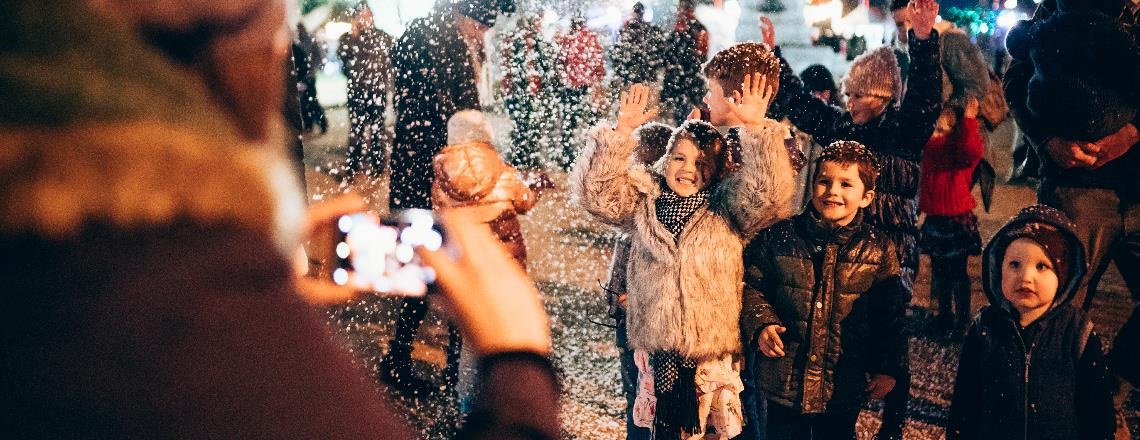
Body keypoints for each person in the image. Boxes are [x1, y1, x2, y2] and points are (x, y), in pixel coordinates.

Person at [0, 0, 560, 438]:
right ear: (226, 39)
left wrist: (251, 254)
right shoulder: (200, 326)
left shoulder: (59, 249)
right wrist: (517, 369)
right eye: (274, 20)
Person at [575, 74, 796, 437]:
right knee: (660, 430)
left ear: (717, 170)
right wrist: (619, 134)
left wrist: (757, 130)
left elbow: (769, 195)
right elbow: (596, 196)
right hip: (656, 350)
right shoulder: (644, 202)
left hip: (709, 356)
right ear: (666, 158)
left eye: (700, 163)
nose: (687, 169)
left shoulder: (726, 209)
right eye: (679, 157)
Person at [766, 2, 942, 436]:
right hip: (846, 249)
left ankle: (893, 422)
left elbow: (924, 96)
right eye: (849, 94)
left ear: (881, 97)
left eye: (859, 95)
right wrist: (777, 63)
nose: (851, 102)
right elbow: (805, 109)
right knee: (846, 333)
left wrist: (922, 41)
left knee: (890, 333)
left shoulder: (903, 133)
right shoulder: (845, 129)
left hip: (892, 250)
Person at [1004, 0, 1140, 432]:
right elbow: (1017, 75)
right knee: (1052, 311)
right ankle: (1051, 418)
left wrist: (1134, 132)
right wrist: (1046, 140)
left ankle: (1111, 385)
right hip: (1078, 187)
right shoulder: (1063, 5)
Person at [382, 0, 516, 396]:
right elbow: (460, 120)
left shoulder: (427, 37)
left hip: (423, 173)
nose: (483, 34)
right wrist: (474, 170)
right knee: (443, 266)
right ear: (466, 17)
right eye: (481, 25)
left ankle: (419, 360)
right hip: (437, 180)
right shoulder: (444, 46)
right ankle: (437, 368)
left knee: (426, 268)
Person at [741, 141, 909, 440]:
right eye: (824, 181)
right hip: (784, 379)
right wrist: (762, 323)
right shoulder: (781, 237)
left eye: (846, 184)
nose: (833, 191)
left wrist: (888, 367)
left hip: (842, 381)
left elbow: (890, 316)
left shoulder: (878, 249)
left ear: (867, 197)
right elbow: (752, 286)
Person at [948, 205, 1115, 440]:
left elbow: (1096, 408)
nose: (1026, 277)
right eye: (1014, 264)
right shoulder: (985, 327)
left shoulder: (1076, 331)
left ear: (1063, 275)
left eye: (1042, 266)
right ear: (999, 268)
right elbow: (966, 401)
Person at [601, 121, 673, 440]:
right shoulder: (636, 207)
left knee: (644, 403)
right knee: (638, 401)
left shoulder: (655, 209)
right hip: (628, 320)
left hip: (648, 322)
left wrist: (623, 297)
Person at [432, 109, 541, 268]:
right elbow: (525, 203)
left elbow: (442, 217)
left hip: (468, 257)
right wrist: (536, 187)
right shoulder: (503, 171)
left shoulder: (442, 181)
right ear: (486, 136)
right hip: (506, 258)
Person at [919, 98, 985, 336]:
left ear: (955, 134)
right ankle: (944, 315)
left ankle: (962, 320)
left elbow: (971, 151)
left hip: (957, 219)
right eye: (934, 129)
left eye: (941, 130)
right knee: (939, 272)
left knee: (957, 273)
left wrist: (969, 121)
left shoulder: (956, 152)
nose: (935, 136)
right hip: (936, 219)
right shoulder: (931, 151)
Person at [338, 3, 394, 183]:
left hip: (377, 91)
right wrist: (354, 34)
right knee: (357, 130)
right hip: (357, 92)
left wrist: (388, 85)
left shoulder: (383, 37)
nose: (366, 19)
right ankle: (353, 167)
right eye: (362, 16)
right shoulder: (348, 38)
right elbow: (344, 62)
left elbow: (389, 65)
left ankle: (378, 166)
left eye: (368, 15)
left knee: (378, 129)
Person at [500, 14, 557, 169]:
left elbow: (543, 63)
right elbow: (512, 67)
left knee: (531, 124)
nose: (539, 25)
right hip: (520, 90)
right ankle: (520, 156)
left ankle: (528, 155)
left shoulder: (535, 41)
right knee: (522, 124)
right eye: (537, 23)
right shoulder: (518, 41)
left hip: (530, 90)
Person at [554, 17, 606, 170]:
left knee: (569, 123)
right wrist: (596, 82)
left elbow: (560, 63)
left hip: (571, 87)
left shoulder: (569, 39)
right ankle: (590, 158)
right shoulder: (590, 38)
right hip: (587, 86)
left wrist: (565, 78)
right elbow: (599, 63)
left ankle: (567, 157)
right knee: (591, 123)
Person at [661, 0, 709, 124]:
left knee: (684, 113)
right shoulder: (699, 28)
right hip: (689, 79)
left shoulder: (686, 27)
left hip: (684, 79)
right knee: (687, 112)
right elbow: (703, 54)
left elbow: (669, 54)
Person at [611, 2, 665, 89]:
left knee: (629, 99)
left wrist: (619, 72)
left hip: (629, 74)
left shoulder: (626, 30)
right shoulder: (649, 30)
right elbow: (657, 53)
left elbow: (617, 53)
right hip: (644, 74)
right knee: (641, 99)